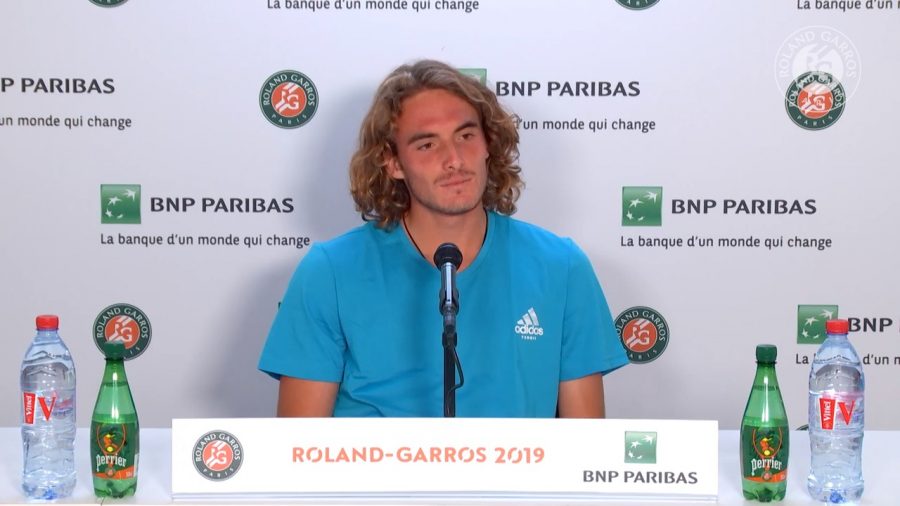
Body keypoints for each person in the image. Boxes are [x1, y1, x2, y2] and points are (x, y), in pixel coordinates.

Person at [258, 60, 627, 418]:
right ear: (393, 162)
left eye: (466, 136)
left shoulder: (561, 267)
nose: (454, 160)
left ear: (488, 144)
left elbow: (585, 446)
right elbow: (298, 447)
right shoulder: (330, 272)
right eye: (427, 145)